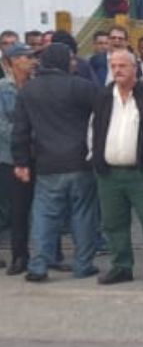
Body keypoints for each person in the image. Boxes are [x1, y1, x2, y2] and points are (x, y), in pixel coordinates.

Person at [11, 43, 100, 282]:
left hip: (47, 163)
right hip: (81, 162)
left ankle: (38, 266)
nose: (74, 62)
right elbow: (103, 116)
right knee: (82, 215)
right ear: (63, 61)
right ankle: (83, 265)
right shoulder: (82, 87)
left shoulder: (29, 90)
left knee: (44, 216)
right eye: (71, 59)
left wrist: (21, 162)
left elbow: (20, 130)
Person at [91, 50, 143, 288]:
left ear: (134, 68)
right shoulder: (104, 96)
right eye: (113, 65)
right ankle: (121, 267)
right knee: (114, 224)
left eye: (122, 66)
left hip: (142, 174)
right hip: (109, 175)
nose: (117, 70)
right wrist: (95, 160)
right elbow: (92, 131)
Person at [0, 43, 37, 275]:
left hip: (37, 155)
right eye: (25, 57)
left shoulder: (36, 87)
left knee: (42, 208)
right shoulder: (3, 89)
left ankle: (47, 254)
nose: (31, 61)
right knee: (18, 209)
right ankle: (19, 255)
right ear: (12, 62)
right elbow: (2, 126)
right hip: (10, 158)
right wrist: (24, 136)